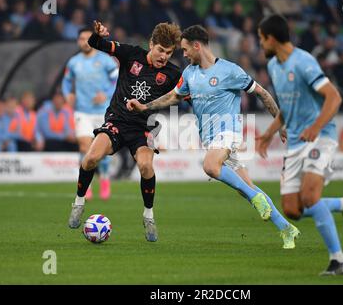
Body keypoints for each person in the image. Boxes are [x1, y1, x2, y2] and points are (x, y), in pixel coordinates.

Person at [127, 25, 300, 249]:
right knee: (246, 187)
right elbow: (172, 97)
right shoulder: (189, 73)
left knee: (210, 166)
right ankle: (286, 228)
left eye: (186, 49)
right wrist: (145, 107)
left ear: (197, 46)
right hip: (211, 139)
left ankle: (257, 200)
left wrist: (279, 123)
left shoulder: (230, 71)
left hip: (228, 132)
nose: (184, 54)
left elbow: (262, 93)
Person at [256, 14, 343, 275]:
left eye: (261, 39)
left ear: (271, 38)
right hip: (294, 143)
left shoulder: (303, 61)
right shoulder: (273, 66)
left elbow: (334, 98)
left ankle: (339, 262)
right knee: (293, 209)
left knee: (311, 197)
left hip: (320, 137)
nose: (260, 44)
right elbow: (287, 107)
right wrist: (270, 132)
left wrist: (315, 127)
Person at [68, 20, 182, 243]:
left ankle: (148, 215)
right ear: (151, 44)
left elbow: (186, 97)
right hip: (117, 120)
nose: (163, 56)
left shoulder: (173, 73)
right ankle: (79, 201)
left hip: (144, 128)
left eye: (168, 52)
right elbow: (95, 44)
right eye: (160, 50)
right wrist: (97, 34)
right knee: (91, 158)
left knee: (146, 166)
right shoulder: (131, 54)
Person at [62, 27, 119, 200]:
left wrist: (106, 93)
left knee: (101, 151)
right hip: (82, 111)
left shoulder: (105, 60)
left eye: (87, 38)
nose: (84, 41)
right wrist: (68, 94)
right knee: (84, 146)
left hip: (103, 111)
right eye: (81, 38)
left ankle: (105, 179)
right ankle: (86, 185)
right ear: (77, 41)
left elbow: (117, 79)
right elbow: (66, 82)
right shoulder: (73, 62)